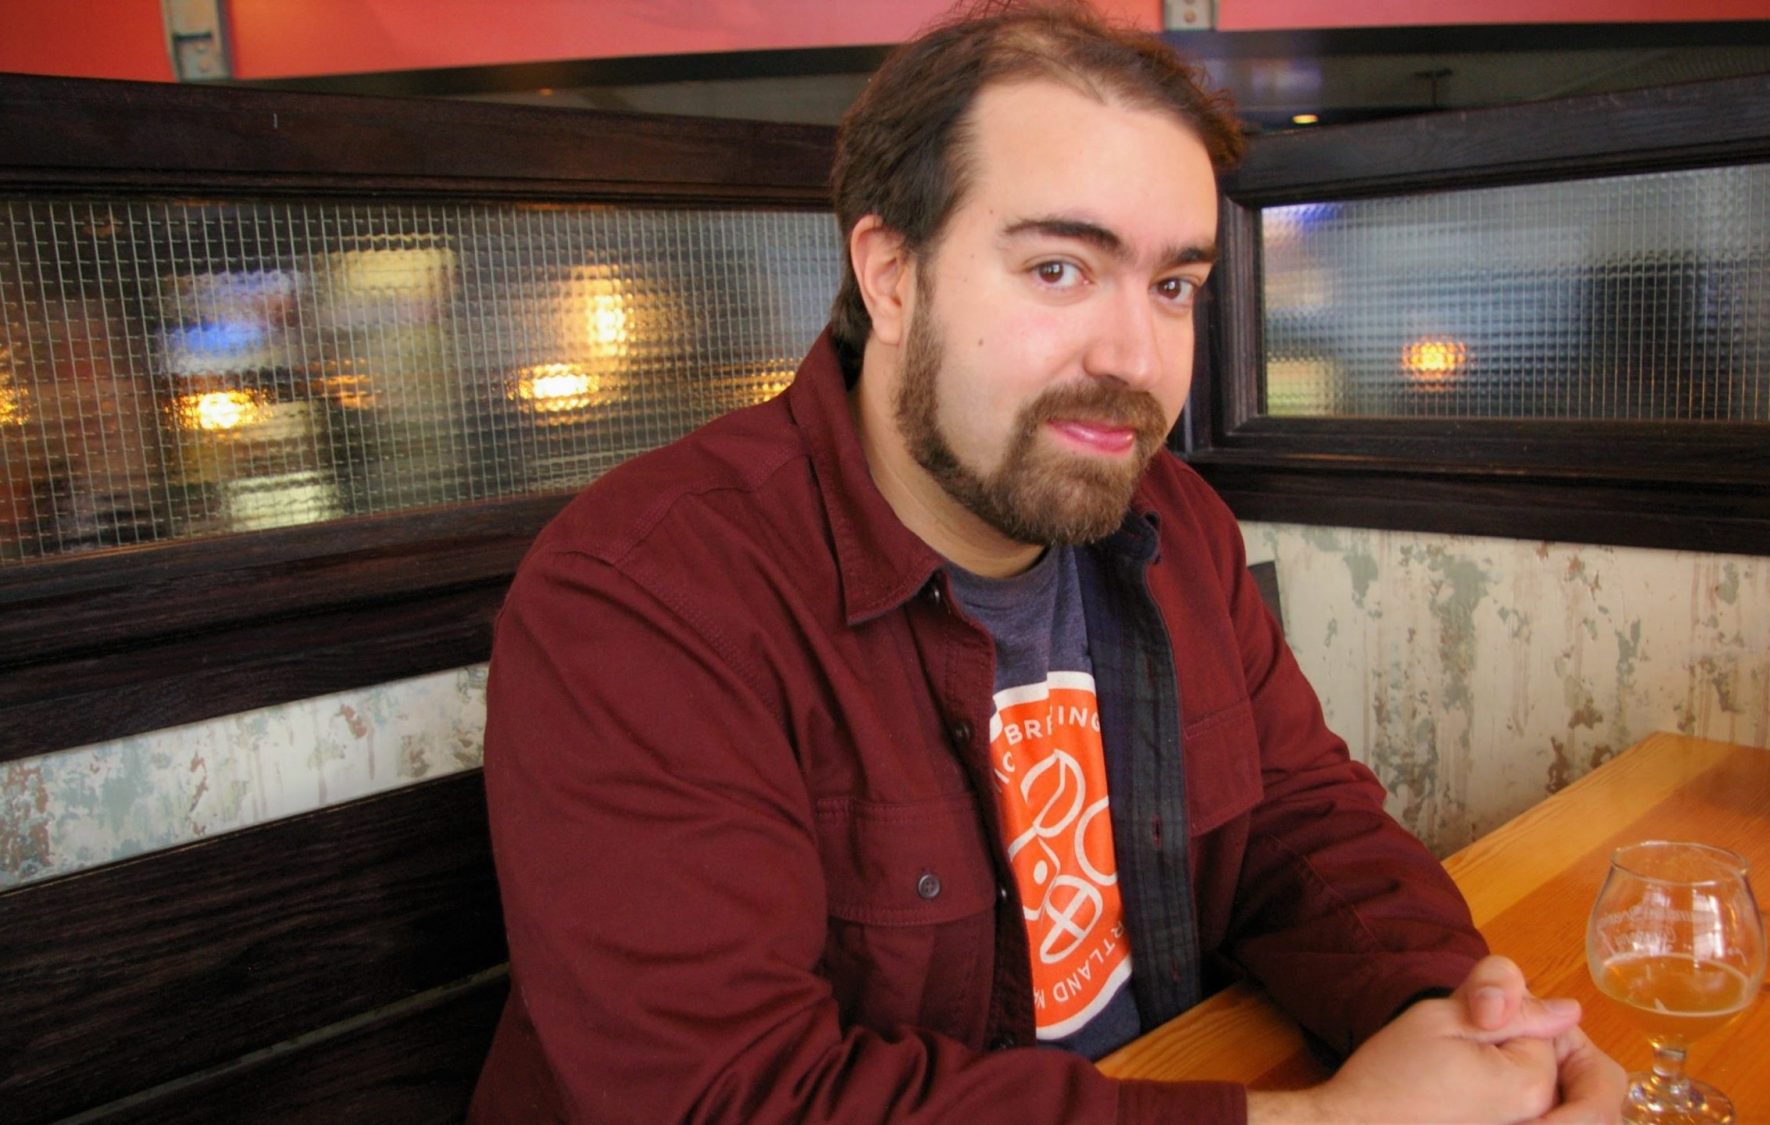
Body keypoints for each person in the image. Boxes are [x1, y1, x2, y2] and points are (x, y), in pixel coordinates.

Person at [470, 3, 1623, 1122]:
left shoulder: (1170, 522)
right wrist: (1326, 1123)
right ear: (890, 274)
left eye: (1170, 287)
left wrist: (1452, 1018)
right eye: (1058, 269)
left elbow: (1296, 823)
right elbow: (727, 1095)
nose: (1133, 358)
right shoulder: (644, 596)